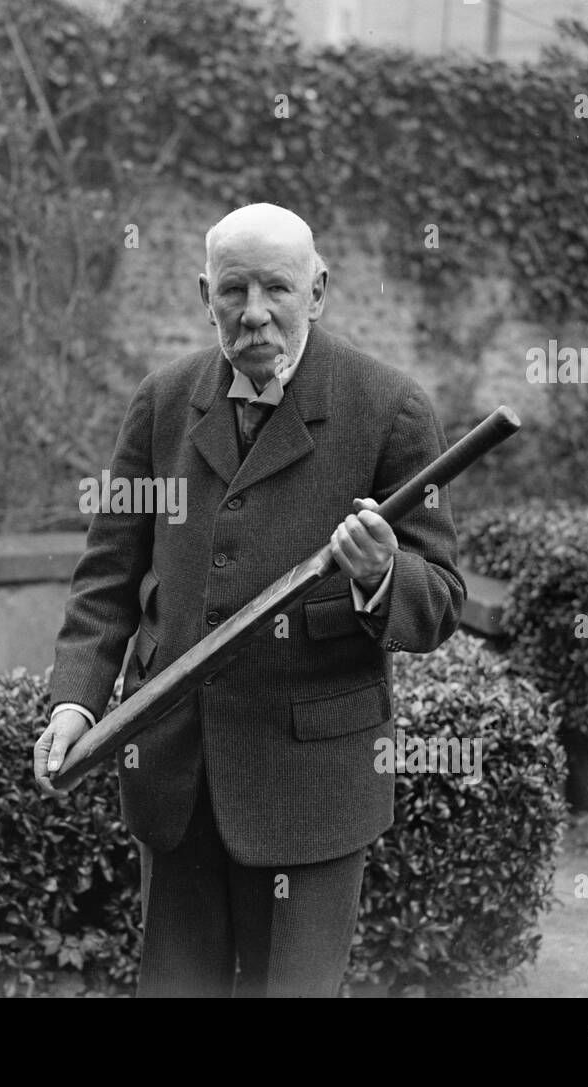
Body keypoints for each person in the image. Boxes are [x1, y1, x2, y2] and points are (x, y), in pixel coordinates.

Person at [34, 203, 464, 997]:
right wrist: (75, 704)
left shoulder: (391, 410)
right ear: (206, 294)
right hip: (174, 778)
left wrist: (380, 574)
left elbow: (438, 597)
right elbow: (107, 577)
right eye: (234, 289)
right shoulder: (163, 403)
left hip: (310, 790)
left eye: (278, 287)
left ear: (320, 290)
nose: (255, 312)